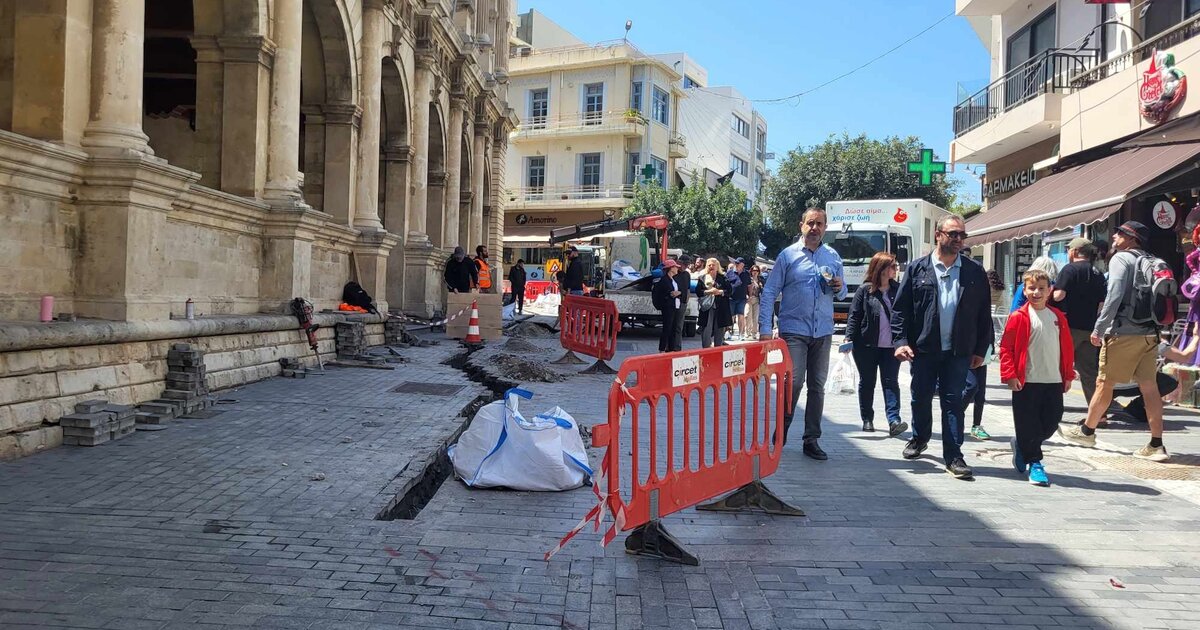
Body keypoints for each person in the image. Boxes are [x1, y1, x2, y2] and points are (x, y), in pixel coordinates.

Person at [892, 215, 992, 479]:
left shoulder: (973, 271)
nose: (959, 239)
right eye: (953, 234)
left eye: (962, 235)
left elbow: (983, 313)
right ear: (938, 235)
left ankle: (954, 456)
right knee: (920, 397)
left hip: (959, 350)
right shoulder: (918, 269)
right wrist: (900, 342)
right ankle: (919, 437)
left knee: (953, 401)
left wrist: (982, 349)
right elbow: (900, 310)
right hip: (925, 348)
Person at [1060, 221, 1170, 461]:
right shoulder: (1153, 260)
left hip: (1123, 332)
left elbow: (1115, 295)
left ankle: (1087, 432)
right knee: (1149, 387)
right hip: (1150, 333)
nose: (1114, 236)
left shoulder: (1121, 259)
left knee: (1104, 382)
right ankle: (1156, 444)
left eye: (1120, 233)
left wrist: (1099, 328)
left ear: (1132, 239)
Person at [759, 208, 847, 460]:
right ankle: (781, 433)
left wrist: (839, 287)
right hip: (794, 330)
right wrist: (765, 329)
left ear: (825, 228)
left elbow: (841, 294)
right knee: (794, 383)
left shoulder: (833, 257)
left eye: (819, 223)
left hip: (823, 331)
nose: (814, 228)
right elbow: (769, 292)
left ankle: (811, 439)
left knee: (817, 386)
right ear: (802, 226)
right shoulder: (788, 255)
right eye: (810, 223)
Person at [1000, 269, 1076, 487]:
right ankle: (1035, 462)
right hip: (1027, 381)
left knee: (1051, 421)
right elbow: (1006, 348)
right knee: (1028, 423)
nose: (1036, 292)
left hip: (1053, 379)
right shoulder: (1019, 317)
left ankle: (1023, 445)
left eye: (1041, 288)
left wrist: (1068, 375)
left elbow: (1067, 348)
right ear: (1024, 291)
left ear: (1050, 291)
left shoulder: (1057, 317)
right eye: (1031, 288)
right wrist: (1010, 375)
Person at [845, 252, 908, 437]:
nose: (896, 269)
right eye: (892, 266)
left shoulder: (898, 290)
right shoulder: (865, 290)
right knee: (867, 382)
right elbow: (854, 316)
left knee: (891, 382)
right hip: (866, 346)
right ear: (881, 269)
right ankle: (867, 418)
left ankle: (894, 420)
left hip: (891, 347)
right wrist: (848, 338)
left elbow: (905, 316)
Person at [1051, 238, 1107, 412]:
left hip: (1069, 328)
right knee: (1089, 372)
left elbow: (1058, 296)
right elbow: (1102, 304)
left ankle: (1053, 407)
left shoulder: (1070, 269)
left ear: (1075, 251)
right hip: (1090, 329)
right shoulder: (1097, 273)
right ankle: (1098, 414)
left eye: (1068, 249)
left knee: (1059, 366)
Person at [696, 257, 733, 348]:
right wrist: (709, 292)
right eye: (709, 265)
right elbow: (698, 292)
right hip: (707, 307)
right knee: (706, 328)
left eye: (713, 265)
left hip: (721, 307)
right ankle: (706, 348)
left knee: (719, 328)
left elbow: (730, 291)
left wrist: (720, 292)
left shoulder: (723, 277)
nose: (711, 266)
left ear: (717, 266)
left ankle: (718, 349)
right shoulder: (702, 277)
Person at [654, 260, 684, 352]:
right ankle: (662, 348)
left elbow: (680, 291)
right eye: (675, 267)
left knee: (673, 328)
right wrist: (670, 294)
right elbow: (661, 293)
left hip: (675, 306)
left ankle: (671, 348)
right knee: (667, 328)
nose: (677, 268)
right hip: (668, 307)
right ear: (671, 268)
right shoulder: (663, 280)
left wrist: (679, 293)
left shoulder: (674, 280)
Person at [672, 255, 693, 349]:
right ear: (679, 262)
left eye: (687, 265)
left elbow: (688, 288)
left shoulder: (687, 274)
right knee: (671, 325)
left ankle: (677, 347)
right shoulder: (673, 273)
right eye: (684, 264)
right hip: (673, 303)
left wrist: (686, 300)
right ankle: (670, 346)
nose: (685, 267)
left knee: (679, 327)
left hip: (682, 303)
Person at [727, 258, 751, 339]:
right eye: (736, 263)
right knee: (731, 316)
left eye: (738, 263)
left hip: (742, 298)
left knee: (741, 316)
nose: (736, 264)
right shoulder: (730, 272)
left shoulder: (746, 273)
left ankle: (741, 334)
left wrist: (749, 295)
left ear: (742, 264)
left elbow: (749, 285)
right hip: (731, 297)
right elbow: (726, 283)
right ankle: (729, 333)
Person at [744, 264, 764, 339]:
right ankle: (747, 331)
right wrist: (746, 295)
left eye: (757, 270)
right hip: (749, 299)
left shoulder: (760, 280)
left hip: (757, 299)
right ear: (751, 271)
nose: (755, 272)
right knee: (747, 315)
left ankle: (754, 333)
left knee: (755, 317)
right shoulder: (748, 279)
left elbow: (762, 290)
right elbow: (744, 288)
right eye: (753, 270)